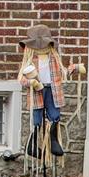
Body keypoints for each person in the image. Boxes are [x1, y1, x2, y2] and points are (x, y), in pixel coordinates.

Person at [16, 23, 69, 159]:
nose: (40, 48)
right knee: (37, 117)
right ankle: (32, 145)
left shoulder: (54, 57)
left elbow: (63, 72)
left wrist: (75, 68)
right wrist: (31, 82)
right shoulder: (29, 60)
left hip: (52, 89)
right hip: (37, 91)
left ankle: (53, 141)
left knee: (54, 114)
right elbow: (21, 79)